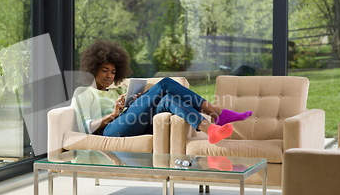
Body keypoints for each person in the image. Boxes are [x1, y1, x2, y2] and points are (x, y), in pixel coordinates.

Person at [71, 40, 253, 144]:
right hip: (110, 130)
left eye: (113, 72)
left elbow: (132, 110)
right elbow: (86, 127)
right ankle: (217, 113)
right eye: (105, 71)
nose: (110, 76)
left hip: (132, 122)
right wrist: (113, 114)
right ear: (93, 69)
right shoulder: (83, 93)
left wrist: (138, 101)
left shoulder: (118, 88)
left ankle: (210, 129)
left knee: (169, 100)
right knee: (165, 83)